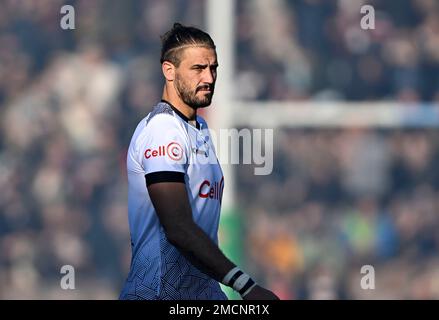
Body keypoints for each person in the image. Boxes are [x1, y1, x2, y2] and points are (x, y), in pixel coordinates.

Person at [119, 23, 279, 300]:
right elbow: (177, 227)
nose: (209, 77)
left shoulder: (200, 128)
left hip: (201, 293)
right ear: (169, 71)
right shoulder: (163, 130)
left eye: (213, 68)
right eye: (197, 69)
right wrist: (245, 285)